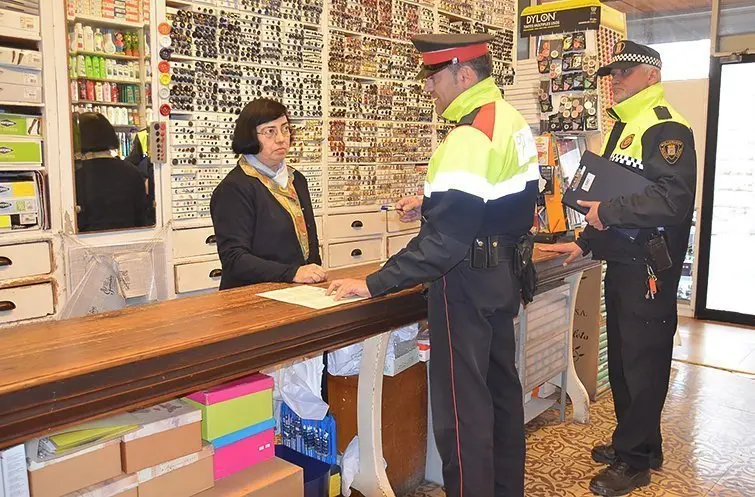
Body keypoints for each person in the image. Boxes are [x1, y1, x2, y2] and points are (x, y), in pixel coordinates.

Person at [327, 34, 540, 497]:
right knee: (501, 397)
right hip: (503, 277)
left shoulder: (467, 135)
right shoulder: (508, 120)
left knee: (463, 414)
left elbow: (443, 245)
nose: (428, 87)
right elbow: (502, 201)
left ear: (464, 74)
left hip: (464, 284)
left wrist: (373, 282)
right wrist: (430, 203)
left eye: (434, 75)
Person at [541, 41, 697, 496]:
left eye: (626, 73)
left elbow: (672, 198)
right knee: (628, 360)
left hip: (650, 264)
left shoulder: (665, 127)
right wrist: (584, 241)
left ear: (652, 75)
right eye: (612, 74)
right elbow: (605, 197)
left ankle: (634, 462)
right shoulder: (624, 127)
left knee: (643, 361)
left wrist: (607, 213)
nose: (616, 81)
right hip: (624, 260)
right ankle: (642, 444)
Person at [210, 98, 325, 290]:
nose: (281, 138)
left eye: (285, 129)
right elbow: (235, 259)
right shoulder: (233, 188)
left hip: (300, 291)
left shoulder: (297, 179)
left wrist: (315, 275)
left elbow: (309, 243)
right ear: (250, 136)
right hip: (251, 296)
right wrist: (292, 273)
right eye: (270, 131)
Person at [74, 112, 149, 232]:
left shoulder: (76, 176)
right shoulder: (132, 172)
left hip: (87, 244)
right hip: (130, 241)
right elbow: (142, 217)